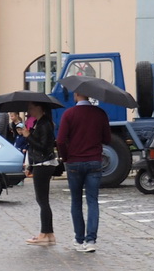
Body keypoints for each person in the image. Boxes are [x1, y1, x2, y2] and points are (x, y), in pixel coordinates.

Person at [56, 87, 114, 253]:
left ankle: (79, 239)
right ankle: (91, 240)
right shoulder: (100, 114)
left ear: (76, 94)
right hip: (94, 161)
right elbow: (107, 139)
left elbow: (60, 141)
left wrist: (66, 157)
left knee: (76, 201)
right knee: (92, 201)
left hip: (74, 162)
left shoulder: (69, 114)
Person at [21, 102, 58, 247]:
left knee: (42, 200)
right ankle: (49, 234)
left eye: (31, 107)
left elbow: (42, 147)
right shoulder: (39, 123)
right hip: (40, 163)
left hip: (44, 164)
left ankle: (44, 233)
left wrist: (28, 136)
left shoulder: (44, 124)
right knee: (42, 200)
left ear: (40, 108)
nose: (29, 110)